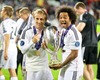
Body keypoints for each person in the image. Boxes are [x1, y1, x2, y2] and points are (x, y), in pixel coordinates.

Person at [18, 8, 53, 80]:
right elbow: (23, 50)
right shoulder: (26, 32)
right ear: (33, 19)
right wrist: (32, 42)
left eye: (41, 19)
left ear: (45, 20)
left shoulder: (47, 31)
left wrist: (47, 47)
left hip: (45, 67)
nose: (39, 21)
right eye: (37, 19)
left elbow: (54, 49)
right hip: (32, 68)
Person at [50, 5, 84, 80]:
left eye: (65, 17)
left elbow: (74, 54)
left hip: (73, 67)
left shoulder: (74, 33)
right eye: (60, 17)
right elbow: (57, 46)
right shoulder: (63, 31)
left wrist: (61, 65)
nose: (62, 19)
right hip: (65, 65)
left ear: (71, 18)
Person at [74, 2, 98, 80]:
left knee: (80, 66)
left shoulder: (83, 16)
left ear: (81, 9)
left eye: (76, 11)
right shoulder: (93, 17)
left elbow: (80, 28)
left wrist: (72, 31)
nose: (76, 13)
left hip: (85, 44)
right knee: (89, 67)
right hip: (94, 44)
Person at [0, 6, 18, 80]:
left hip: (6, 48)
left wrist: (6, 51)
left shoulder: (4, 23)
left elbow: (7, 36)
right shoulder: (15, 23)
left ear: (5, 12)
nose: (0, 12)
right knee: (12, 70)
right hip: (14, 48)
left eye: (1, 11)